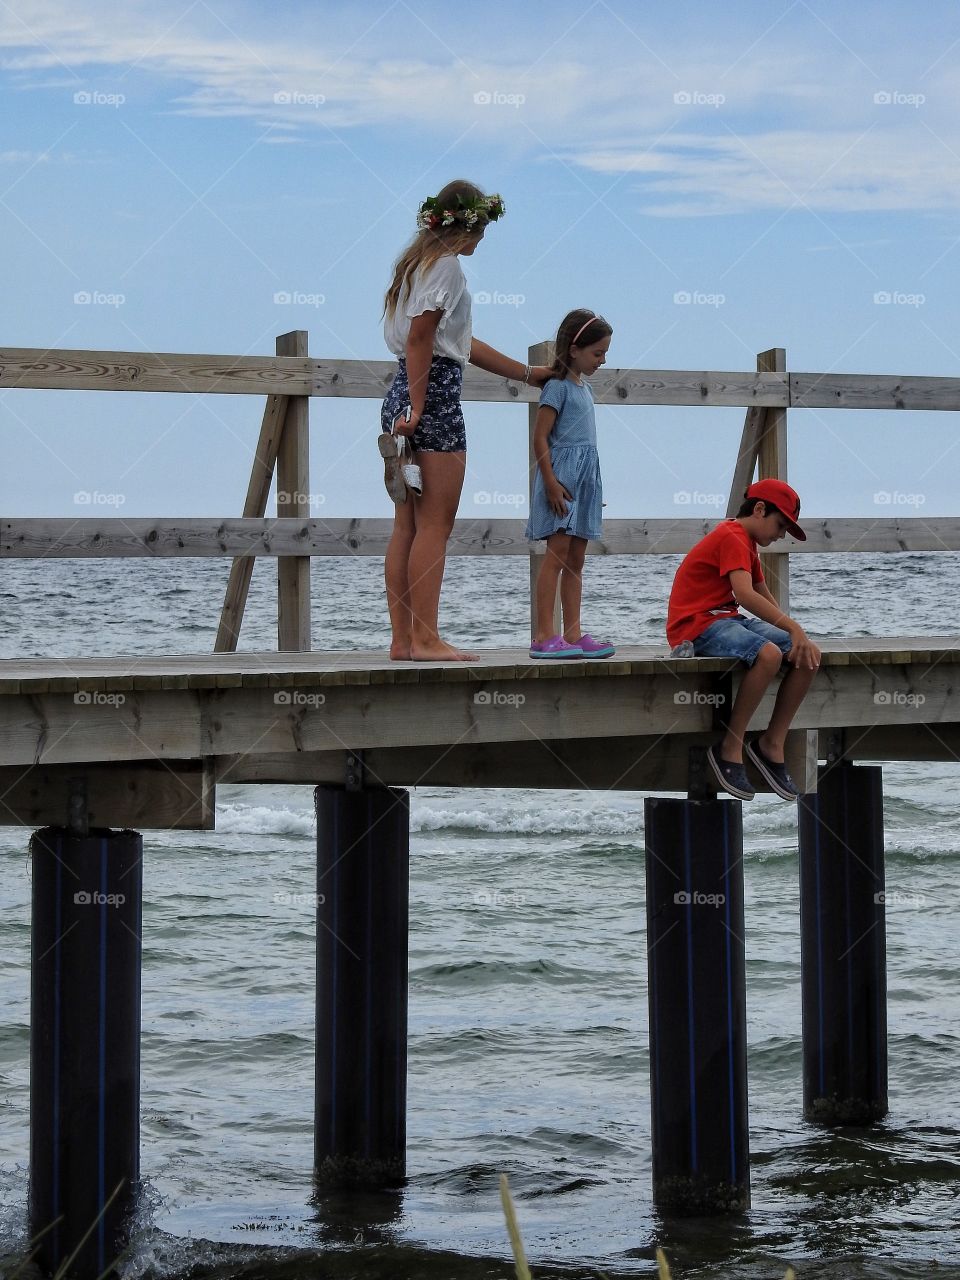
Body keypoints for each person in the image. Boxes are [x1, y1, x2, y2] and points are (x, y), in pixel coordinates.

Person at [381, 180, 552, 662]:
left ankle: (403, 640)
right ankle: (426, 639)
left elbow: (458, 342)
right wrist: (421, 407)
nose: (483, 239)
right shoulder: (449, 267)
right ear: (466, 225)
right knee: (435, 525)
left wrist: (527, 374)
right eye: (482, 229)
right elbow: (421, 339)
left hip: (401, 393)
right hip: (431, 396)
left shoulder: (415, 266)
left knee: (407, 525)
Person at [665, 479, 821, 800]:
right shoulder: (732, 535)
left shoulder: (747, 541)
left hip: (726, 619)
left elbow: (762, 594)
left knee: (808, 655)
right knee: (768, 655)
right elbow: (746, 595)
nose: (781, 535)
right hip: (695, 624)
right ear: (760, 509)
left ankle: (771, 743)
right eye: (780, 525)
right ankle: (730, 746)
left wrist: (794, 635)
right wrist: (793, 628)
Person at [526, 309, 615, 660]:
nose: (602, 360)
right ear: (574, 349)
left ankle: (573, 632)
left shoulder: (585, 388)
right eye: (597, 353)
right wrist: (550, 482)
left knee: (576, 559)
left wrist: (591, 491)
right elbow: (540, 437)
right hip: (562, 481)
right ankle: (543, 635)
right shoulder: (557, 388)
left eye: (605, 353)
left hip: (585, 482)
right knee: (557, 555)